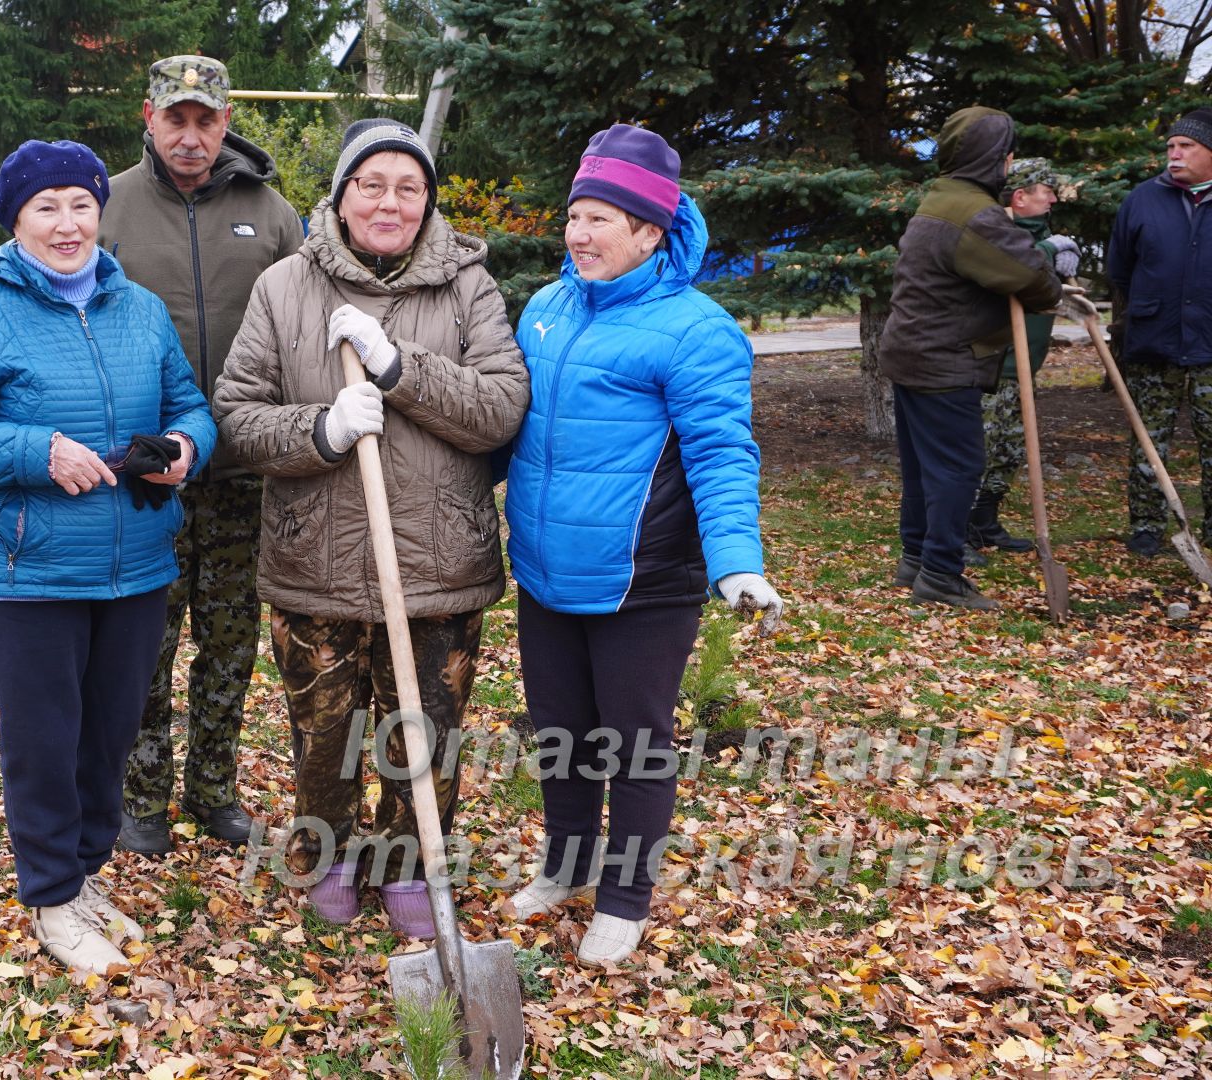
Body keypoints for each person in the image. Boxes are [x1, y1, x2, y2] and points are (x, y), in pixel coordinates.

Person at [0, 139, 217, 977]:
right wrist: (35, 450)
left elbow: (187, 400)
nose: (68, 223)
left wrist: (189, 443)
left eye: (81, 204)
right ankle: (49, 895)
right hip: (28, 577)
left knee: (108, 736)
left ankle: (80, 875)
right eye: (47, 208)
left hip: (136, 567)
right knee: (44, 741)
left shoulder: (138, 308)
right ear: (16, 221)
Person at [212, 119, 528, 938]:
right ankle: (330, 857)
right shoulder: (286, 286)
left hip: (438, 563)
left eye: (408, 187)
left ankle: (410, 863)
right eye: (371, 184)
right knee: (324, 735)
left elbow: (500, 410)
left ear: (428, 200)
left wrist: (397, 368)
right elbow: (239, 419)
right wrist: (321, 430)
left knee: (422, 731)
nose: (389, 202)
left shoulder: (468, 289)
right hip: (314, 559)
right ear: (342, 194)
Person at [500, 124, 782, 966]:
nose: (578, 235)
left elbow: (723, 452)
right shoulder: (546, 309)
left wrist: (737, 560)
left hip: (642, 582)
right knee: (560, 732)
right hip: (547, 571)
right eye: (574, 216)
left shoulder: (697, 331)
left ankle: (624, 897)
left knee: (633, 742)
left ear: (651, 232)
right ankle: (569, 863)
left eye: (600, 220)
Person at [99, 55, 304, 855]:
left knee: (229, 640)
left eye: (206, 120)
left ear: (226, 123)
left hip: (247, 473)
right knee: (144, 637)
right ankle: (141, 794)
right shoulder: (106, 208)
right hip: (144, 473)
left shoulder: (274, 214)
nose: (191, 136)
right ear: (148, 117)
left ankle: (212, 788)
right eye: (175, 118)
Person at [878, 106, 1063, 610]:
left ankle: (915, 558)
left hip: (911, 353)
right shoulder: (975, 214)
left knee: (923, 468)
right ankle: (939, 572)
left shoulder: (941, 198)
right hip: (942, 359)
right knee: (959, 468)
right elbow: (1030, 278)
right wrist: (1051, 265)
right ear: (996, 159)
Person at [1107, 106, 1212, 555]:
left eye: (1186, 146)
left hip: (1210, 341)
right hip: (1154, 339)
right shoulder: (1142, 199)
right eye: (1170, 146)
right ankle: (1147, 527)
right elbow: (1121, 268)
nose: (1174, 154)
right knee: (1149, 438)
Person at [968, 157, 1082, 556]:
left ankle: (985, 521)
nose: (1053, 199)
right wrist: (1048, 251)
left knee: (1009, 449)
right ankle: (958, 528)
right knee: (981, 449)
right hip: (993, 365)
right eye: (1046, 192)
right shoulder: (996, 231)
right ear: (1020, 196)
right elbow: (1011, 268)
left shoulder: (1038, 234)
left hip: (1023, 365)